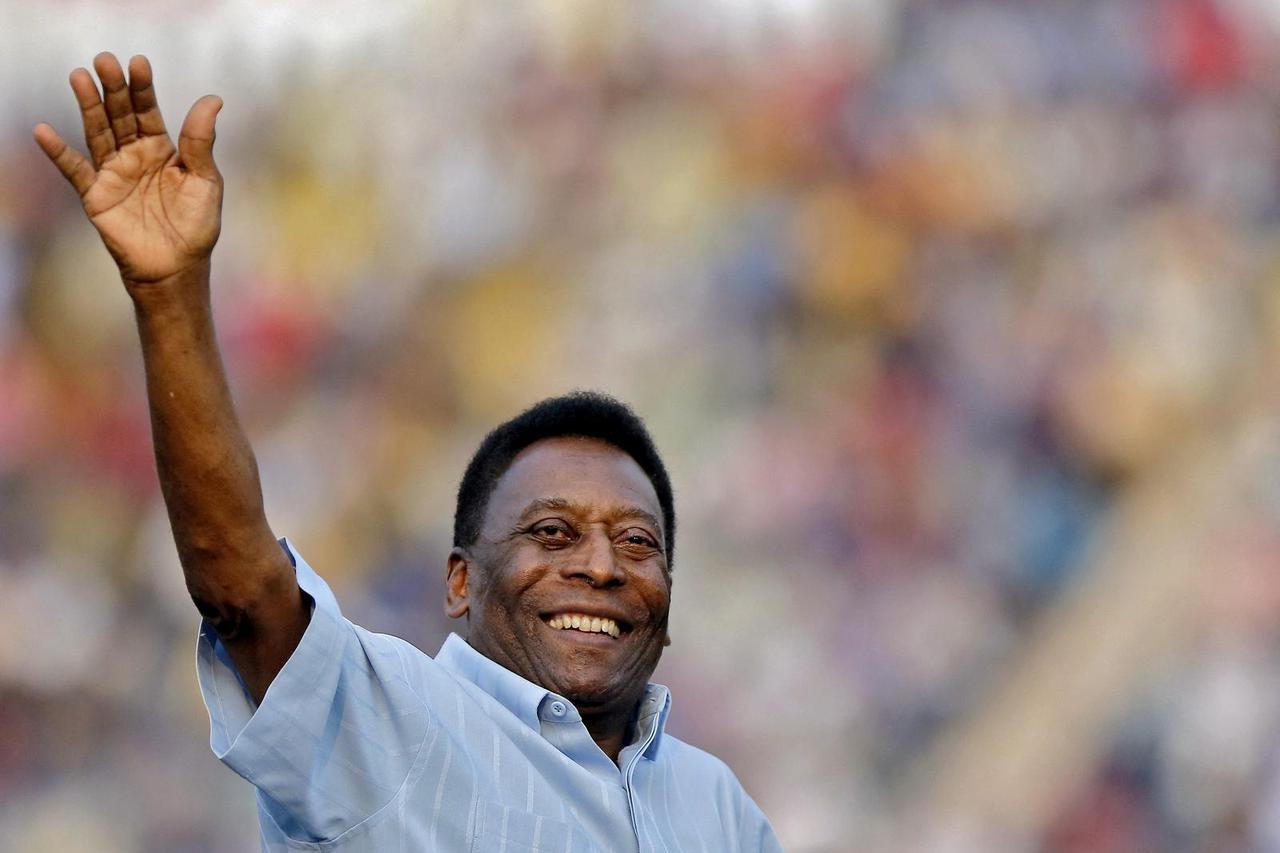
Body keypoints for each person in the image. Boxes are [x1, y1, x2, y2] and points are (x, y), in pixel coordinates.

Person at [35, 53, 783, 852]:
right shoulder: (396, 724)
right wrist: (169, 295)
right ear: (460, 579)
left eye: (637, 541)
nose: (601, 565)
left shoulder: (718, 806)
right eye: (552, 533)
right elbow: (244, 590)